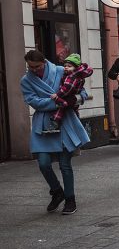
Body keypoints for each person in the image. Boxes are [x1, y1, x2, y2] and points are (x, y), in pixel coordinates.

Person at [20, 49, 91, 214]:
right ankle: (57, 191)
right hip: (44, 124)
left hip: (65, 121)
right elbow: (33, 101)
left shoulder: (61, 70)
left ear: (44, 61)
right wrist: (60, 102)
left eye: (37, 66)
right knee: (43, 163)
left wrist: (74, 100)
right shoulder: (26, 80)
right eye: (31, 67)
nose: (34, 70)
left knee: (65, 164)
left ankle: (70, 199)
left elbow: (82, 92)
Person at [52, 54, 93, 125]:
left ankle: (55, 121)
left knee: (62, 106)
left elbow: (67, 88)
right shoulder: (79, 75)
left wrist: (57, 95)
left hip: (69, 96)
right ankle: (76, 122)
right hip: (75, 97)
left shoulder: (71, 76)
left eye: (69, 66)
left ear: (76, 67)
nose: (66, 67)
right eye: (65, 66)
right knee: (74, 110)